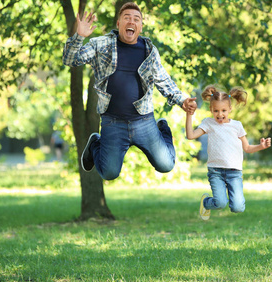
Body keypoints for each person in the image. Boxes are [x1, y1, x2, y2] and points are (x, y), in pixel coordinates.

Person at [62, 2, 197, 180]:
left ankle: (162, 128)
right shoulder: (101, 44)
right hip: (113, 122)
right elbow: (70, 60)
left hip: (144, 121)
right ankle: (95, 143)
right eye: (127, 18)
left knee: (166, 165)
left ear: (140, 26)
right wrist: (79, 36)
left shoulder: (149, 51)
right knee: (109, 173)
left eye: (136, 19)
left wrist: (182, 100)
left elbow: (163, 80)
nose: (131, 22)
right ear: (118, 24)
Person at [186, 85, 272, 220]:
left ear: (230, 109)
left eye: (224, 110)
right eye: (216, 111)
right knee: (220, 203)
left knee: (238, 207)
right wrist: (189, 115)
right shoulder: (208, 123)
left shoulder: (237, 126)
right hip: (216, 171)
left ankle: (228, 203)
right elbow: (191, 135)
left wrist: (261, 146)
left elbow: (247, 148)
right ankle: (206, 202)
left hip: (234, 172)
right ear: (211, 110)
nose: (220, 114)